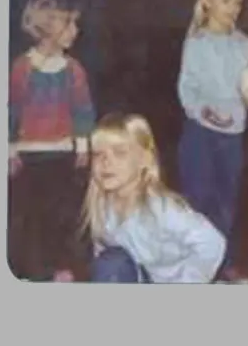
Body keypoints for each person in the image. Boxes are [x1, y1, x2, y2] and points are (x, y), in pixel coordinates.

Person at [7, 0, 96, 281]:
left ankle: (61, 268)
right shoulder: (22, 68)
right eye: (68, 24)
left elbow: (83, 110)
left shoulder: (73, 69)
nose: (75, 31)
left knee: (62, 214)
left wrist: (82, 146)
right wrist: (10, 150)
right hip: (30, 155)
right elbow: (12, 110)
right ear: (48, 27)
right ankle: (35, 271)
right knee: (32, 217)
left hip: (62, 153)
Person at [81, 114, 227, 283]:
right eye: (98, 154)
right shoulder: (102, 205)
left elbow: (212, 242)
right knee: (110, 263)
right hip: (142, 276)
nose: (105, 162)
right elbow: (104, 255)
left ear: (145, 159)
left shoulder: (162, 208)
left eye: (119, 153)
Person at [176, 0, 248, 281]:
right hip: (201, 133)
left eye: (238, 2)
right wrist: (206, 113)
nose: (233, 8)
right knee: (198, 200)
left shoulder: (243, 43)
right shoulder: (197, 43)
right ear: (207, 1)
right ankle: (197, 265)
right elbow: (188, 89)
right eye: (226, 0)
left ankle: (224, 262)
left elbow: (247, 87)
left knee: (227, 201)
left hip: (233, 135)